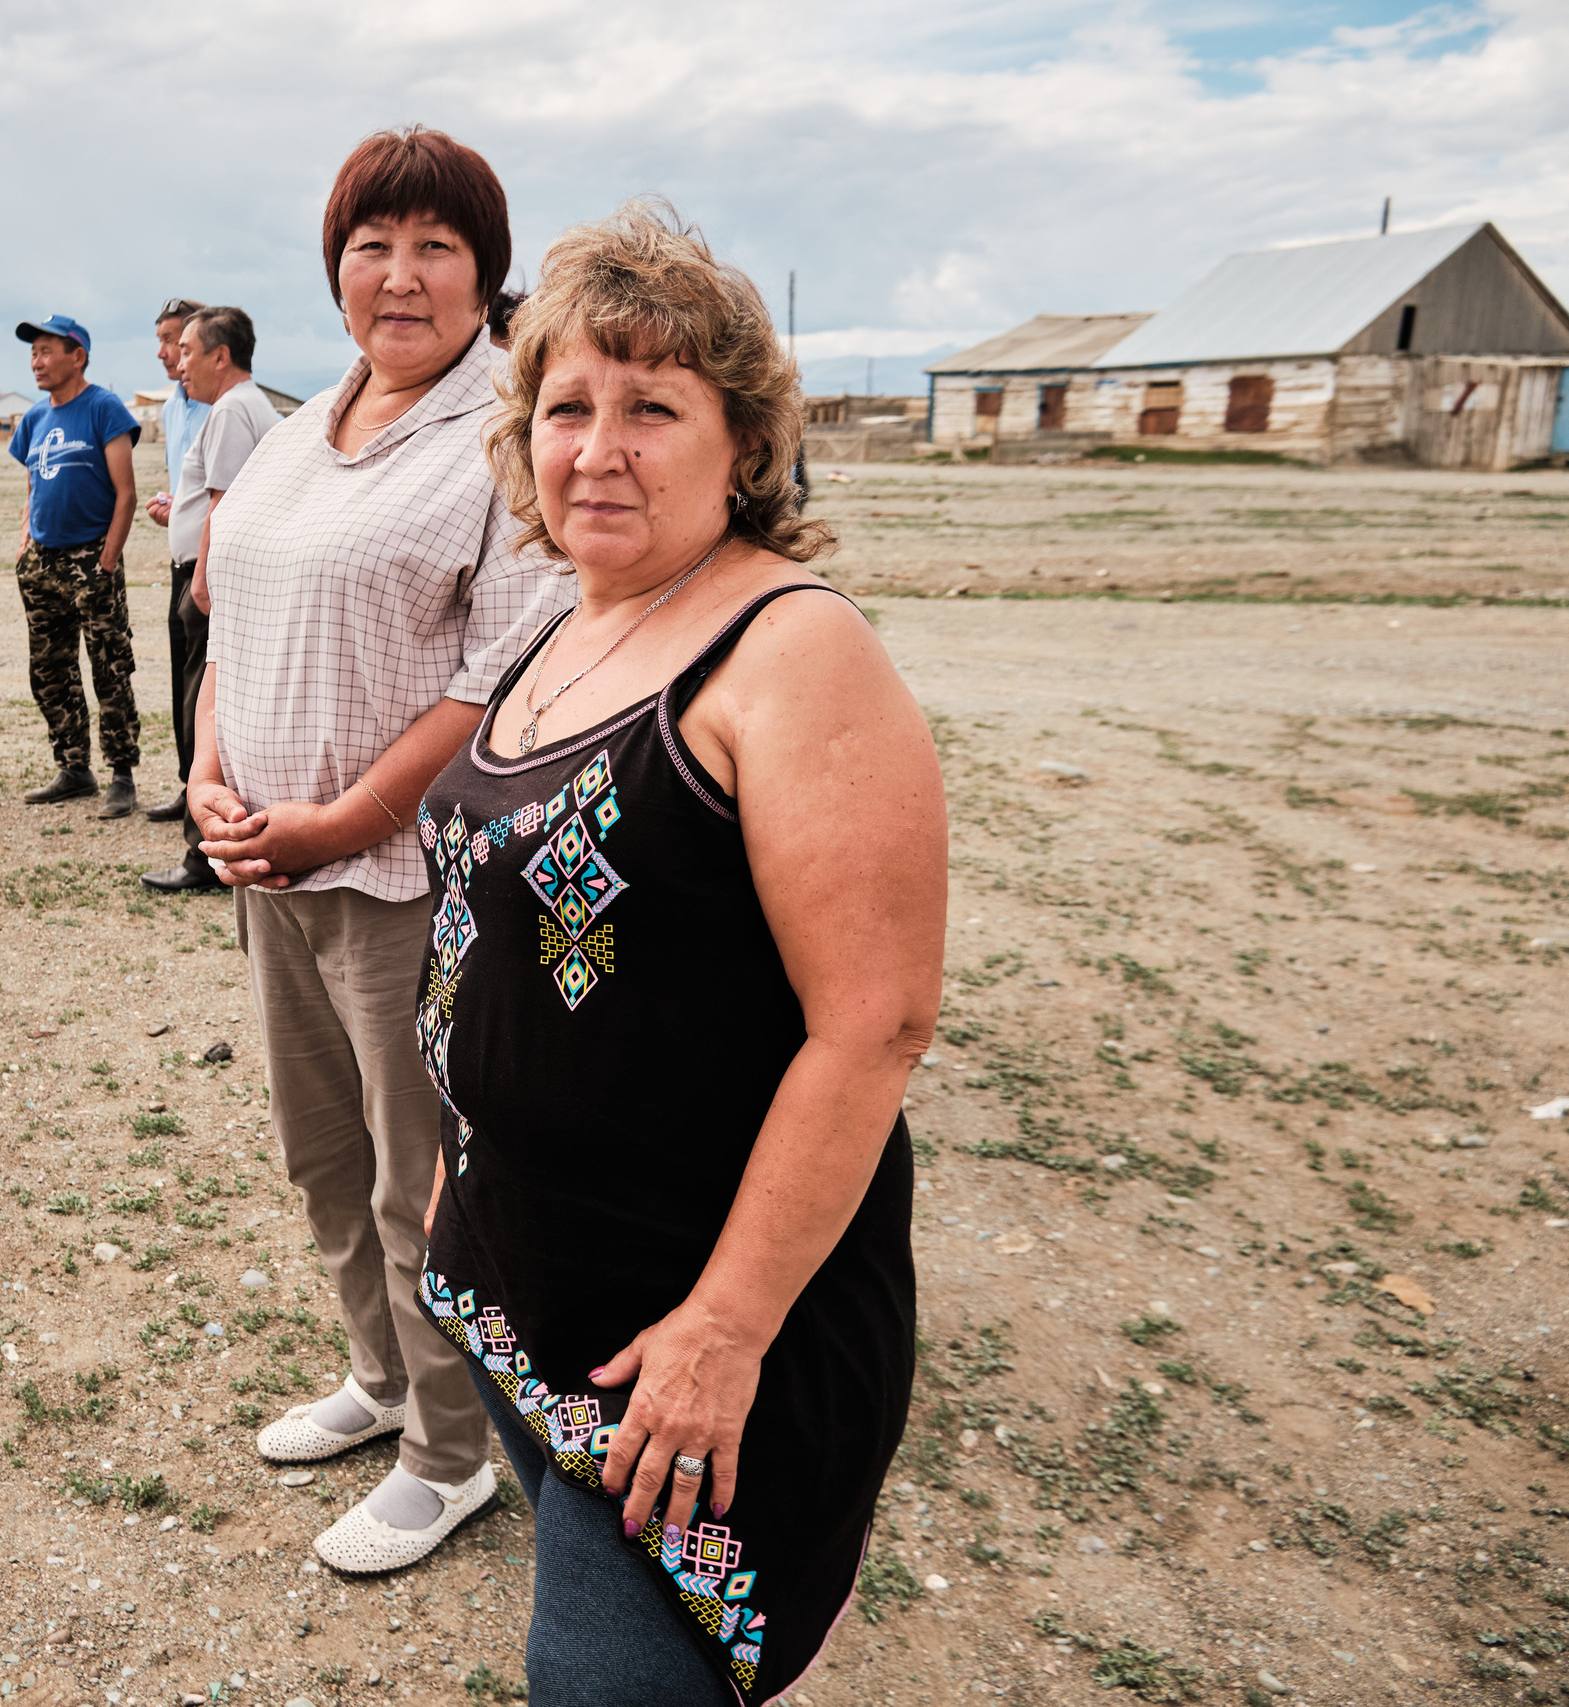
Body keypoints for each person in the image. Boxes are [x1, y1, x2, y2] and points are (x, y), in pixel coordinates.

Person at [413, 201, 942, 1702]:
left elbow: (878, 1024)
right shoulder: (566, 625)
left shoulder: (789, 649)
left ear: (745, 441)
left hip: (690, 1341)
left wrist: (727, 1324)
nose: (600, 445)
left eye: (654, 406)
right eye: (568, 406)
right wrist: (465, 1163)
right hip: (522, 1288)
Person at [186, 126, 569, 1574]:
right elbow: (230, 623)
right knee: (320, 1148)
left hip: (404, 882)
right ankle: (381, 1374)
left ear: (484, 274)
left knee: (423, 1178)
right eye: (371, 246)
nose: (398, 276)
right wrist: (206, 772)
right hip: (266, 868)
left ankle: (450, 1451)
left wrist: (345, 819)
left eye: (435, 249)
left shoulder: (499, 438)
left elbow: (490, 678)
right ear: (333, 267)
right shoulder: (295, 429)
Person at [139, 306, 278, 895]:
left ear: (222, 355)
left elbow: (224, 504)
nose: (178, 362)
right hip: (220, 571)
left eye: (189, 350)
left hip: (209, 576)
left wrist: (202, 584)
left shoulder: (228, 411)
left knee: (206, 708)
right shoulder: (254, 408)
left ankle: (206, 855)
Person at [7, 315, 142, 817]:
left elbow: (125, 495)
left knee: (109, 667)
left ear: (77, 356)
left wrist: (106, 561)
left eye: (46, 351)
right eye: (33, 353)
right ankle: (73, 768)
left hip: (91, 558)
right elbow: (32, 484)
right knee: (49, 669)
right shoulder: (35, 419)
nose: (36, 362)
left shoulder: (103, 408)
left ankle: (121, 775)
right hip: (42, 561)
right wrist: (25, 539)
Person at [141, 297, 207, 827]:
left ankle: (204, 795)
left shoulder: (220, 404)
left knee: (204, 682)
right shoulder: (171, 407)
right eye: (162, 340)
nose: (165, 353)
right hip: (179, 561)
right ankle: (188, 786)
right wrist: (171, 506)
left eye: (175, 341)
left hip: (210, 568)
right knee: (179, 675)